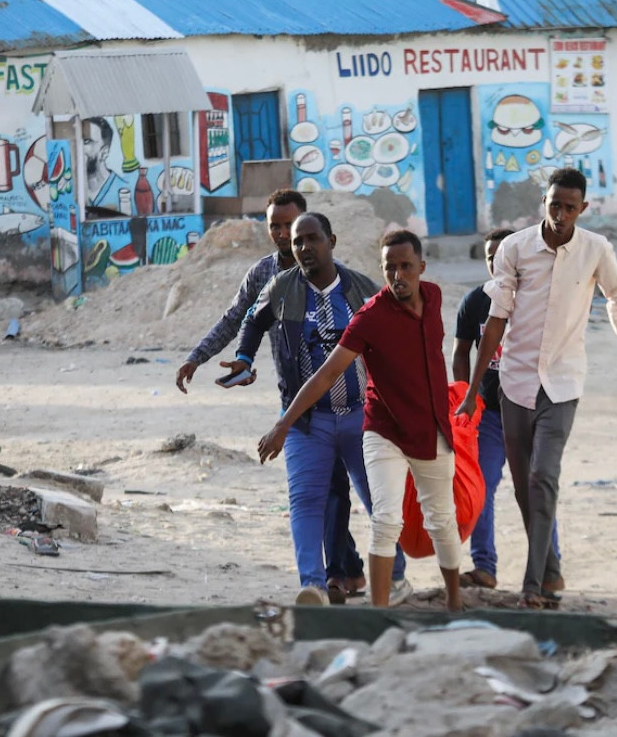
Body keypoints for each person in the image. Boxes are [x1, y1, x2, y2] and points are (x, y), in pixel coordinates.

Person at [456, 168, 617, 610]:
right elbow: (495, 320)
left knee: (543, 476)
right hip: (514, 382)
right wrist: (472, 390)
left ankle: (533, 585)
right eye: (554, 205)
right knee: (525, 487)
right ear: (543, 202)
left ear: (582, 209)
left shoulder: (595, 250)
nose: (561, 214)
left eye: (570, 207)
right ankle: (551, 571)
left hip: (563, 383)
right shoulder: (515, 248)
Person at [175, 191, 368, 600]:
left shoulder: (347, 282)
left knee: (341, 490)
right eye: (276, 228)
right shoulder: (266, 277)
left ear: (316, 230)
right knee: (314, 493)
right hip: (299, 401)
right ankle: (333, 575)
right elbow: (239, 320)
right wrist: (209, 357)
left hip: (347, 402)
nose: (285, 236)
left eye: (292, 227)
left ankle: (342, 571)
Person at [259, 230, 464, 612]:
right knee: (386, 519)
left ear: (422, 267)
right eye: (390, 268)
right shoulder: (369, 317)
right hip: (382, 430)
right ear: (382, 270)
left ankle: (455, 602)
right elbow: (324, 375)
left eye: (406, 267)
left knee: (442, 521)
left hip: (431, 428)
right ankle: (378, 611)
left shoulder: (433, 297)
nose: (398, 275)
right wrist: (284, 424)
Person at [234, 213, 409, 606]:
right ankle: (312, 584)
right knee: (305, 501)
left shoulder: (362, 289)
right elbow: (252, 322)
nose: (304, 248)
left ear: (331, 240)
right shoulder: (281, 288)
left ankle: (396, 578)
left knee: (377, 499)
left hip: (361, 417)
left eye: (312, 239)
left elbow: (397, 338)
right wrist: (244, 358)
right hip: (305, 421)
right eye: (297, 242)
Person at [451, 228, 559, 591]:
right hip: (491, 417)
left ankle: (548, 569)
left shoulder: (539, 299)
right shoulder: (474, 302)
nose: (495, 262)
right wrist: (467, 397)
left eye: (501, 254)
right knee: (480, 487)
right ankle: (484, 567)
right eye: (488, 256)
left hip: (530, 412)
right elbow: (460, 353)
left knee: (535, 488)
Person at [83, 116, 116, 204]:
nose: (77, 147)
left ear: (104, 153)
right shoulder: (68, 190)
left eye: (86, 141)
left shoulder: (122, 190)